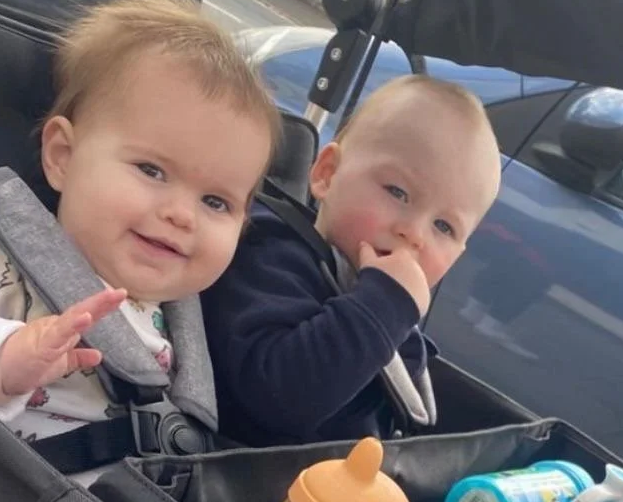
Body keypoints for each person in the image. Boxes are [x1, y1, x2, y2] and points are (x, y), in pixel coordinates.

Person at [0, 0, 278, 460]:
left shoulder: (176, 314)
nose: (181, 214)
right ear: (63, 157)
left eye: (216, 202)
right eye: (151, 171)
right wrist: (1, 356)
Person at [202, 73, 502, 446]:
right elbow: (281, 396)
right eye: (398, 192)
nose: (415, 234)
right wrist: (385, 306)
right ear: (328, 174)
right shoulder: (270, 257)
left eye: (444, 226)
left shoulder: (385, 311)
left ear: (458, 254)